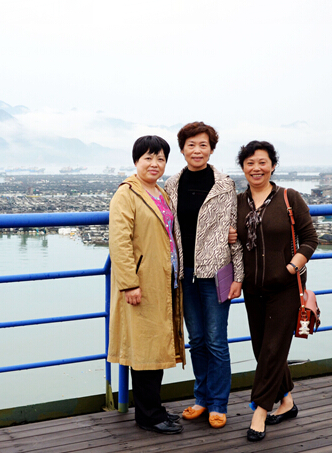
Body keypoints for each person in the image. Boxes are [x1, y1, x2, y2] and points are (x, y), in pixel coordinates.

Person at [232, 140, 318, 442]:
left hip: (285, 287)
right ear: (243, 168)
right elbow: (234, 243)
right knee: (262, 349)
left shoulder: (288, 197)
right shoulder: (237, 202)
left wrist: (290, 268)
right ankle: (287, 401)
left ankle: (259, 411)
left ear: (273, 166)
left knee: (272, 349)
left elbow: (310, 239)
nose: (256, 168)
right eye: (250, 163)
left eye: (262, 162)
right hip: (253, 288)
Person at [163, 122, 244, 429]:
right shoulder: (172, 185)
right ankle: (202, 398)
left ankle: (219, 403)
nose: (197, 150)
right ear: (182, 149)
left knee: (216, 340)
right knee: (196, 340)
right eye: (191, 145)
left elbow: (234, 234)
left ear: (211, 149)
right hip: (185, 275)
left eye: (203, 145)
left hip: (216, 273)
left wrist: (238, 276)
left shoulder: (224, 185)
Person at [107, 135, 186, 435]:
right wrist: (129, 284)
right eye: (148, 158)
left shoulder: (160, 192)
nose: (155, 164)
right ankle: (148, 416)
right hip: (142, 284)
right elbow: (119, 242)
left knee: (156, 347)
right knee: (145, 351)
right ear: (136, 161)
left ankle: (155, 408)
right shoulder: (126, 194)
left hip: (164, 281)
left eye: (160, 158)